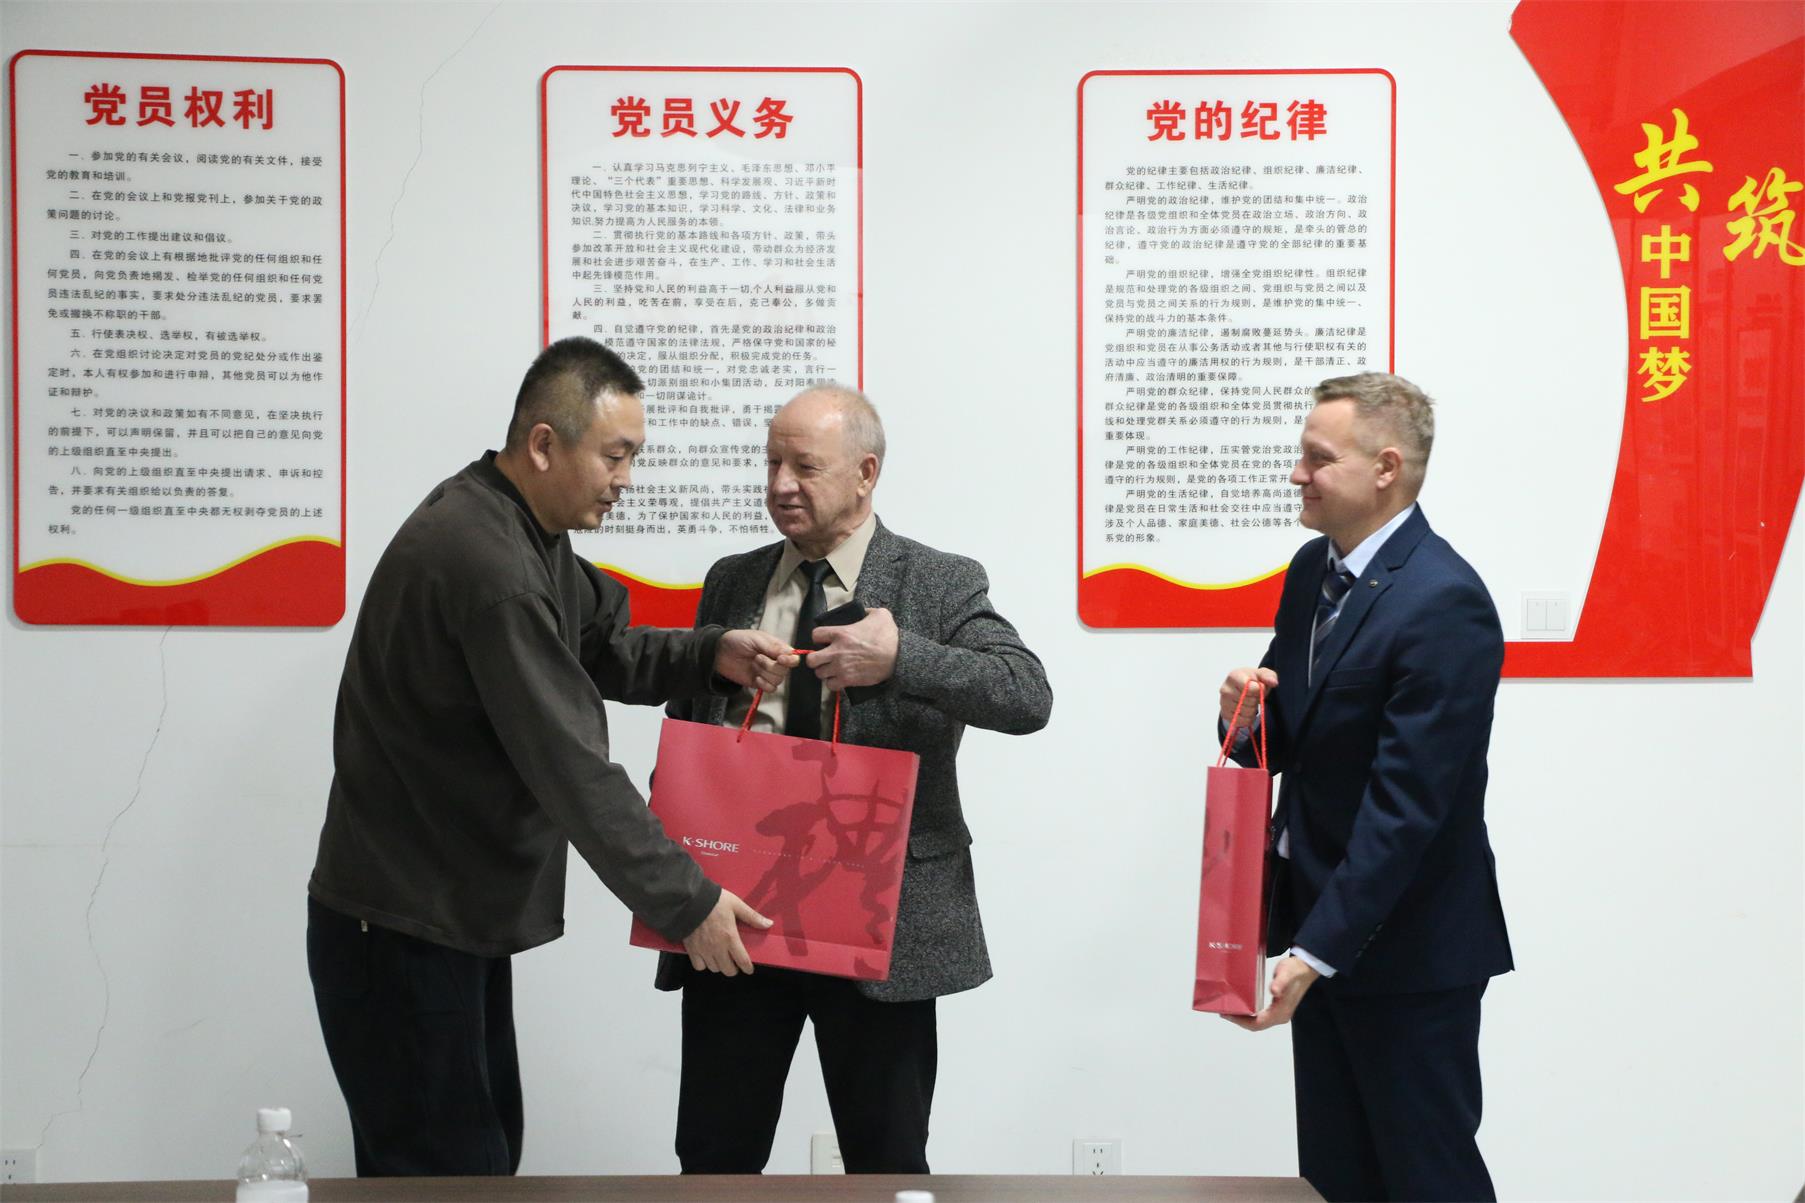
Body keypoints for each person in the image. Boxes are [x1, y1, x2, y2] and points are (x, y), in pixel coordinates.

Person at [306, 337, 795, 1177]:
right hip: (399, 927)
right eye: (615, 454)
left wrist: (707, 652)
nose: (625, 478)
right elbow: (571, 765)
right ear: (543, 443)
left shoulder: (517, 528)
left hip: (439, 916)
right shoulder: (488, 563)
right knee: (450, 1175)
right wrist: (689, 902)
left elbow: (600, 641)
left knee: (479, 1159)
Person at [658, 383, 1053, 1174]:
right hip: (737, 912)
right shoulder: (732, 580)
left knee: (887, 1156)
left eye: (804, 466)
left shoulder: (936, 581)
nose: (780, 485)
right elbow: (691, 724)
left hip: (878, 917)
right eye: (771, 463)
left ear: (865, 472)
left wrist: (904, 657)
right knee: (713, 1154)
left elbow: (1025, 694)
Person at [1217, 372, 1513, 1202]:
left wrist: (1314, 952)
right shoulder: (1311, 570)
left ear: (1385, 467)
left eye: (1317, 458)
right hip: (1321, 931)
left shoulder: (1443, 600)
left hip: (1408, 949)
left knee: (1425, 1176)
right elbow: (1289, 742)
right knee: (1335, 1177)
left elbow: (1405, 808)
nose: (1296, 474)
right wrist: (1241, 715)